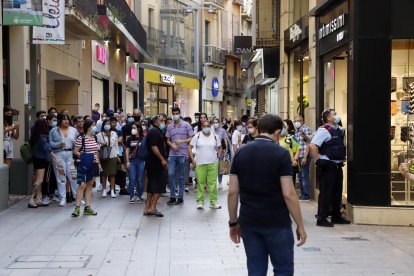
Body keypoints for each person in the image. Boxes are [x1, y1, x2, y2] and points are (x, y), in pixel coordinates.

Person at [227, 114, 307, 275]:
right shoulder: (281, 154)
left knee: (256, 269)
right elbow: (289, 193)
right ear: (277, 132)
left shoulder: (241, 153)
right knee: (283, 269)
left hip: (250, 221)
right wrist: (300, 224)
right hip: (277, 221)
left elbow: (232, 192)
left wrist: (233, 223)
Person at [310, 109, 350, 227]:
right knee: (326, 192)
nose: (336, 116)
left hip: (338, 165)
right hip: (328, 165)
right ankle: (322, 218)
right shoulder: (324, 130)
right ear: (328, 118)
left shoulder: (339, 130)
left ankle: (336, 216)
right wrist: (318, 160)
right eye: (334, 114)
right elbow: (313, 145)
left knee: (337, 193)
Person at [188, 120, 222, 209]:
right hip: (200, 163)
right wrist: (192, 160)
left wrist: (217, 157)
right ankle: (200, 202)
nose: (206, 127)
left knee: (212, 183)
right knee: (200, 183)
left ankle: (213, 202)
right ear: (202, 127)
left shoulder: (215, 136)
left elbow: (220, 148)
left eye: (208, 126)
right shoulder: (197, 136)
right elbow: (189, 147)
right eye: (204, 126)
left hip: (212, 163)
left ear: (210, 127)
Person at [165, 107, 194, 205]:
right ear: (172, 114)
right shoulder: (170, 126)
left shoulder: (186, 125)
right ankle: (173, 196)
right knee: (170, 175)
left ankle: (180, 197)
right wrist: (172, 145)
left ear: (180, 113)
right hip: (172, 154)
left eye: (177, 113)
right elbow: (167, 140)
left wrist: (182, 141)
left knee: (181, 177)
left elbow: (192, 137)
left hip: (183, 154)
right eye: (174, 113)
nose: (175, 115)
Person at [71, 119, 100, 217]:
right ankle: (77, 208)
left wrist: (98, 164)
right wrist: (84, 157)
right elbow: (75, 151)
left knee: (90, 185)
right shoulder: (81, 138)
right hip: (83, 164)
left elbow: (96, 152)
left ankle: (87, 207)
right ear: (88, 127)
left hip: (93, 164)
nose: (95, 127)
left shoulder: (95, 137)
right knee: (82, 185)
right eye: (93, 125)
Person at [49, 113, 78, 206]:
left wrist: (76, 143)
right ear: (59, 120)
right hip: (58, 154)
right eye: (63, 119)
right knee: (61, 177)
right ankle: (63, 198)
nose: (66, 121)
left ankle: (77, 197)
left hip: (70, 154)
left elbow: (79, 143)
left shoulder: (74, 130)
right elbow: (50, 144)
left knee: (73, 176)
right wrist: (58, 144)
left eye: (67, 119)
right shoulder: (53, 130)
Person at [144, 115, 168, 217]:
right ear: (156, 122)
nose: (163, 123)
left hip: (152, 163)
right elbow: (154, 147)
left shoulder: (155, 131)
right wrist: (162, 159)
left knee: (151, 186)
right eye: (161, 121)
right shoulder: (154, 131)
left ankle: (147, 208)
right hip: (156, 163)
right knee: (158, 186)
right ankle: (153, 208)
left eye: (164, 121)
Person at [28, 119, 54, 208]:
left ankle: (38, 199)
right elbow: (47, 148)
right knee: (40, 180)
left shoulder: (35, 135)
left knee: (38, 179)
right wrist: (56, 158)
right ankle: (31, 199)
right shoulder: (42, 136)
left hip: (36, 158)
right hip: (42, 159)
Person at [97, 119, 119, 198]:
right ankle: (104, 190)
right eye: (106, 124)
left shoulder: (114, 133)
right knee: (104, 174)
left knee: (113, 174)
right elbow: (96, 146)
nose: (108, 125)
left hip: (112, 155)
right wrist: (102, 145)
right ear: (103, 125)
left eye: (109, 124)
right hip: (103, 156)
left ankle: (112, 190)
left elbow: (116, 145)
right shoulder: (99, 135)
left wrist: (117, 155)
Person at [125, 122, 146, 204]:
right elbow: (127, 150)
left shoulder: (143, 138)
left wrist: (145, 161)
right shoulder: (129, 139)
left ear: (139, 129)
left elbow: (145, 150)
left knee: (140, 179)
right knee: (132, 179)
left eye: (134, 128)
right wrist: (127, 161)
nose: (133, 130)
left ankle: (139, 196)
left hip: (141, 161)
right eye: (132, 128)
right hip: (132, 161)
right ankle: (132, 196)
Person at [294, 115, 313, 200]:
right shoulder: (296, 131)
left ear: (303, 121)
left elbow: (309, 144)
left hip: (304, 155)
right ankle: (302, 194)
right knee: (300, 176)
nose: (298, 122)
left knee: (304, 176)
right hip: (298, 156)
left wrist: (305, 157)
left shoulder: (306, 129)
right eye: (296, 121)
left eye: (299, 120)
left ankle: (306, 195)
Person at [42, 114, 58, 202]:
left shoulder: (56, 129)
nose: (55, 122)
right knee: (47, 176)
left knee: (53, 176)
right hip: (48, 156)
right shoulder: (46, 131)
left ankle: (52, 193)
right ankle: (45, 194)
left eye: (56, 120)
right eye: (53, 120)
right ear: (48, 120)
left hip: (55, 155)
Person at [111, 117, 128, 195]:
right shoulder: (106, 132)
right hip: (111, 154)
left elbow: (120, 140)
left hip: (120, 153)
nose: (114, 123)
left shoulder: (119, 131)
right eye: (112, 122)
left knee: (122, 171)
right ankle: (112, 188)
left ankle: (122, 188)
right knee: (112, 171)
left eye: (115, 122)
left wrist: (110, 141)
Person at [280, 121, 301, 185]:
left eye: (283, 127)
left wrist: (295, 160)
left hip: (289, 165)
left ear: (286, 128)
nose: (282, 129)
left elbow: (298, 148)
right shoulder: (274, 138)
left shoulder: (290, 137)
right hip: (278, 165)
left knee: (290, 185)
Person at [213, 117, 228, 189]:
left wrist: (226, 149)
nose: (215, 124)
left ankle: (220, 182)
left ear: (219, 123)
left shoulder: (222, 130)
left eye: (216, 122)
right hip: (212, 151)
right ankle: (213, 182)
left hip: (221, 151)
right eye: (214, 122)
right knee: (213, 167)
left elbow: (225, 140)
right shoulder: (211, 130)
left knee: (220, 166)